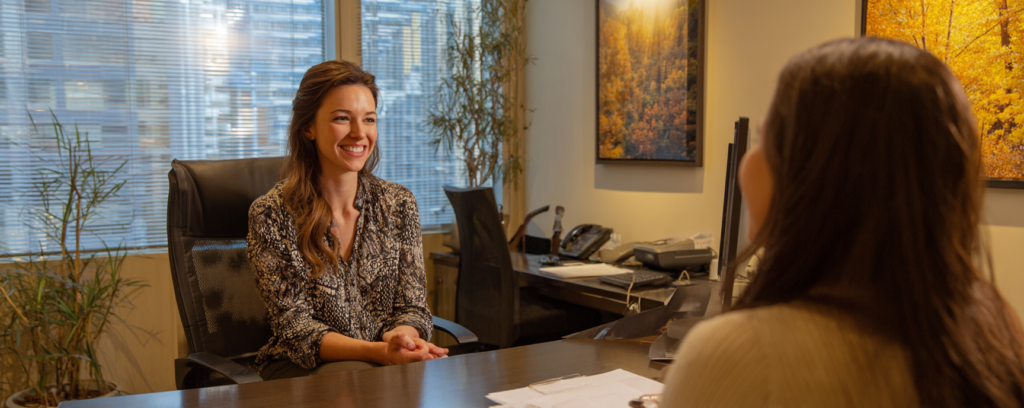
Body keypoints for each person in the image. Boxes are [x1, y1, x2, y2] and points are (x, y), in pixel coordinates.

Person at [661, 37, 1024, 407]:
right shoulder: (996, 336)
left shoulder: (737, 355)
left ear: (822, 175)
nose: (748, 163)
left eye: (763, 140)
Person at [247, 60, 448, 380]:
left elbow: (413, 307)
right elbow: (296, 327)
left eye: (369, 119)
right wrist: (377, 352)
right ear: (308, 127)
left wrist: (401, 340)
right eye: (342, 118)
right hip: (302, 367)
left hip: (382, 366)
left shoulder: (399, 204)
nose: (359, 133)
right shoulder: (272, 214)